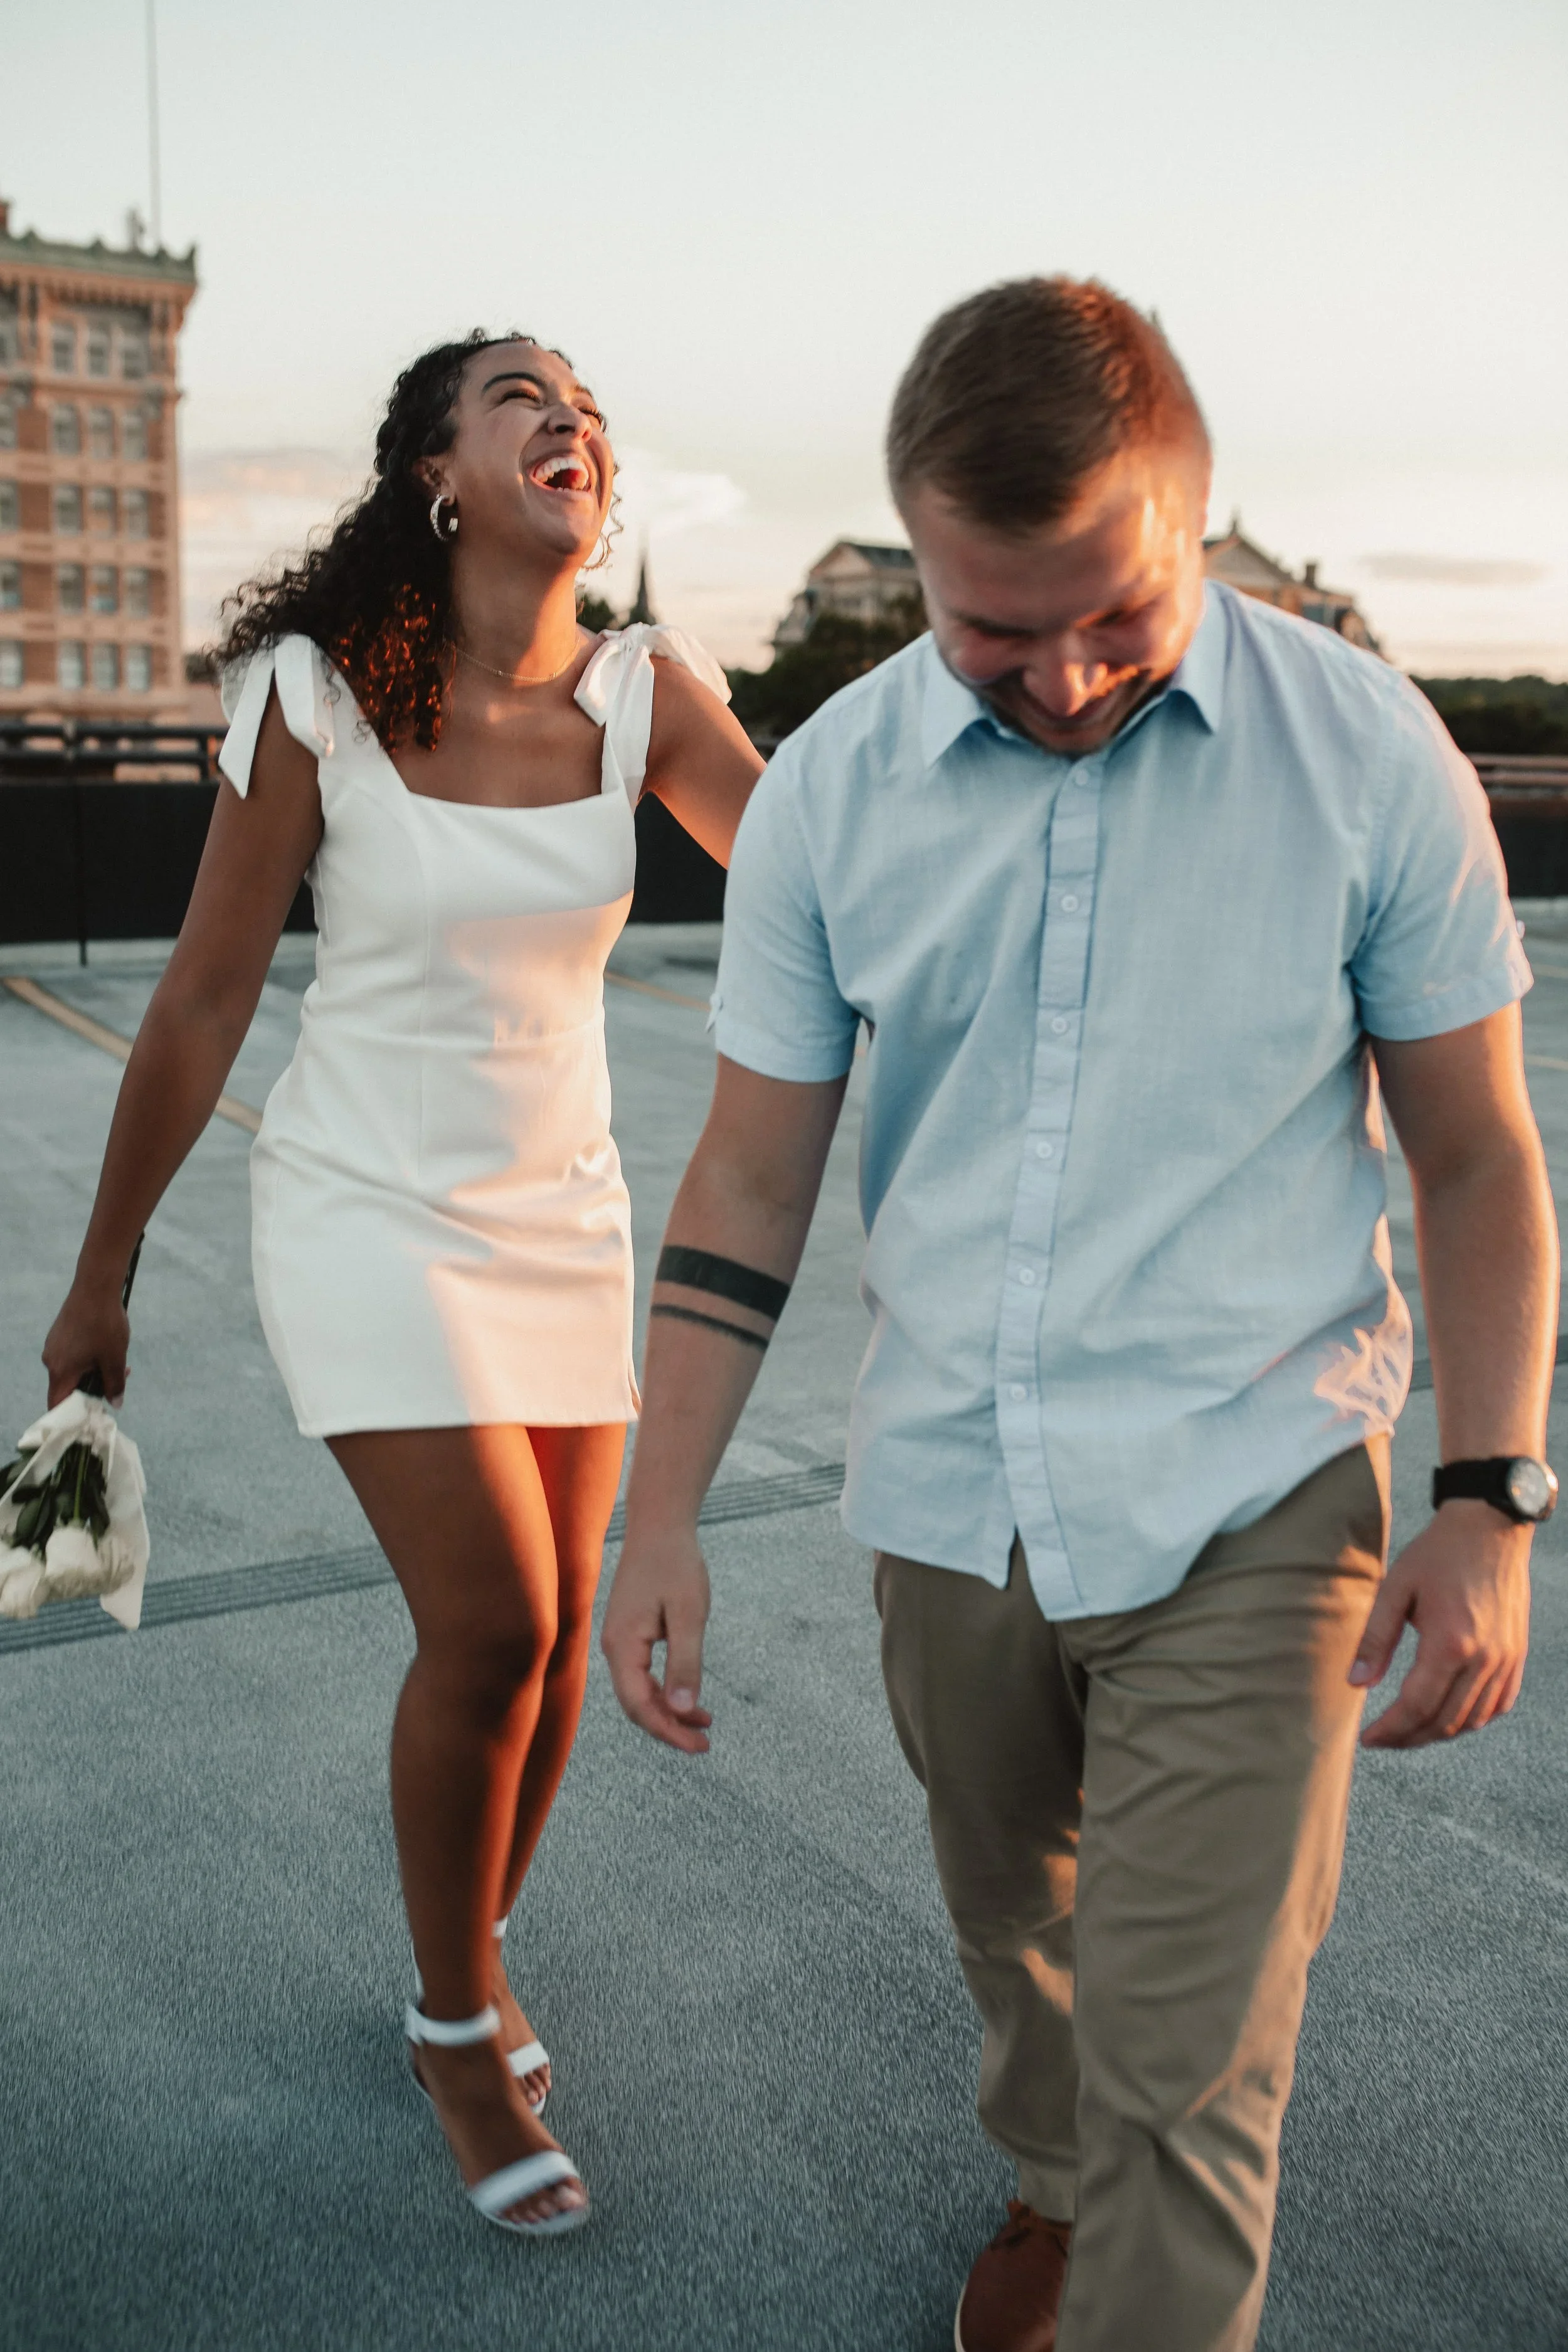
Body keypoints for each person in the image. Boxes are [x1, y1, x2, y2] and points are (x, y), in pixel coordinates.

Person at [600, 278, 1559, 2349]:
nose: (1059, 677)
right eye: (990, 628)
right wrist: (655, 1511)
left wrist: (1486, 1490)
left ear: (1193, 516)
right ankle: (1051, 2178)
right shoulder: (830, 795)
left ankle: (1123, 2230)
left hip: (1253, 1484)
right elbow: (749, 1175)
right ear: (917, 558)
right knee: (1014, 1925)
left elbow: (1476, 1150)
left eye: (1114, 611)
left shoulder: (1363, 757)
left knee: (1188, 2071)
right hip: (947, 1493)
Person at [43, 331, 762, 2238]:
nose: (567, 418)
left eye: (586, 404)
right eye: (520, 395)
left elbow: (820, 879)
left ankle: (473, 1948)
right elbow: (206, 992)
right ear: (437, 471)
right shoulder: (321, 689)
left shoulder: (646, 692)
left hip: (562, 1220)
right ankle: (453, 2027)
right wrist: (101, 1271)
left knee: (559, 1651)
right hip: (364, 1206)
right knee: (499, 1621)